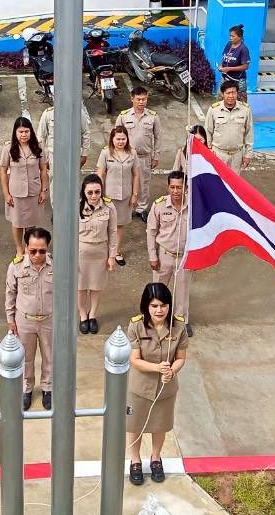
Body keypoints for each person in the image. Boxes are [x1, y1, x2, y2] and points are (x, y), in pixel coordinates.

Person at [126, 282, 188, 486]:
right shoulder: (136, 326)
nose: (159, 310)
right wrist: (158, 368)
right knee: (134, 424)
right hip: (140, 387)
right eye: (154, 306)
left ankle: (155, 458)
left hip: (165, 388)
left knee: (160, 425)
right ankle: (135, 460)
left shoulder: (179, 326)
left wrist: (172, 370)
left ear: (169, 306)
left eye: (163, 305)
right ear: (146, 306)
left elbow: (181, 357)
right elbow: (134, 360)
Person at [4, 226, 54, 411]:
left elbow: (64, 293)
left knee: (50, 356)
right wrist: (10, 319)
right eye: (33, 251)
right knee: (25, 358)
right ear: (26, 247)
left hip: (49, 320)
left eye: (42, 251)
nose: (37, 255)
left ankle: (48, 388)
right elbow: (10, 293)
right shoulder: (16, 266)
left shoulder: (56, 265)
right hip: (24, 321)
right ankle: (27, 389)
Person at [148, 171, 191, 333]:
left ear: (186, 188)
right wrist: (153, 256)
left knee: (182, 292)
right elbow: (151, 232)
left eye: (179, 187)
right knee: (158, 291)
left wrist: (195, 257)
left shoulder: (193, 207)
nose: (175, 191)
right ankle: (156, 321)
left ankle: (181, 322)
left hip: (184, 257)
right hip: (164, 255)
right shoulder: (159, 205)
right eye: (172, 187)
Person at [0, 116, 48, 258]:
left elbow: (43, 170)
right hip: (16, 192)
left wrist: (44, 190)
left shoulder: (38, 147)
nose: (24, 135)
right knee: (17, 222)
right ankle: (19, 248)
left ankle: (29, 247)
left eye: (26, 131)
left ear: (31, 131)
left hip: (34, 191)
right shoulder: (9, 148)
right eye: (20, 132)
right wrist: (6, 194)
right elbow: (3, 171)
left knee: (31, 223)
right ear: (15, 132)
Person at [76, 174, 115, 335]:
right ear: (84, 192)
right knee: (81, 287)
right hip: (80, 254)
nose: (94, 196)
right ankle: (82, 315)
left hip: (100, 253)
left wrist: (112, 256)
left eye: (97, 192)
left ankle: (92, 314)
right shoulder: (76, 206)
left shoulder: (109, 207)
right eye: (90, 192)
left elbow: (112, 232)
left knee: (96, 286)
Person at [115, 87, 161, 221]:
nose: (141, 102)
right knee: (126, 183)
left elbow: (158, 137)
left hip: (144, 157)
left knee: (144, 184)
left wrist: (156, 156)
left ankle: (142, 209)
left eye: (144, 99)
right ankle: (127, 208)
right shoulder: (123, 116)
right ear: (132, 99)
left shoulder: (153, 116)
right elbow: (116, 136)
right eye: (138, 99)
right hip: (127, 157)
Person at [96, 125, 139, 266]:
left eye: (123, 139)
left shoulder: (132, 153)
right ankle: (104, 251)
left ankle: (116, 252)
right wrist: (98, 194)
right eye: (118, 139)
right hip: (108, 196)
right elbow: (100, 174)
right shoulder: (106, 153)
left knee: (120, 225)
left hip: (125, 197)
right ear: (112, 139)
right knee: (105, 225)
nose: (120, 142)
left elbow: (136, 175)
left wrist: (134, 194)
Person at [35, 102, 90, 194]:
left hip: (73, 157)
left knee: (73, 185)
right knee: (55, 186)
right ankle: (55, 204)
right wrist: (45, 158)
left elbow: (85, 132)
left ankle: (73, 203)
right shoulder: (48, 113)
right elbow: (41, 137)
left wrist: (84, 154)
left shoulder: (78, 113)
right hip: (54, 157)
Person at [204, 79, 254, 174]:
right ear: (222, 94)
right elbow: (208, 131)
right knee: (218, 180)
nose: (231, 96)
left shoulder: (245, 109)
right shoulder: (214, 109)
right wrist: (209, 149)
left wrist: (248, 154)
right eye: (228, 93)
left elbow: (249, 133)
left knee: (234, 181)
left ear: (237, 94)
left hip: (237, 155)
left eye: (233, 93)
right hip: (218, 154)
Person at [218, 24, 251, 98]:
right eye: (230, 36)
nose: (230, 38)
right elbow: (224, 56)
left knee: (239, 101)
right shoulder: (229, 44)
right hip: (225, 79)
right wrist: (221, 65)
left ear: (239, 37)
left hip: (237, 81)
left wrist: (229, 69)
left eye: (233, 36)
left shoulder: (243, 49)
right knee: (220, 99)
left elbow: (245, 66)